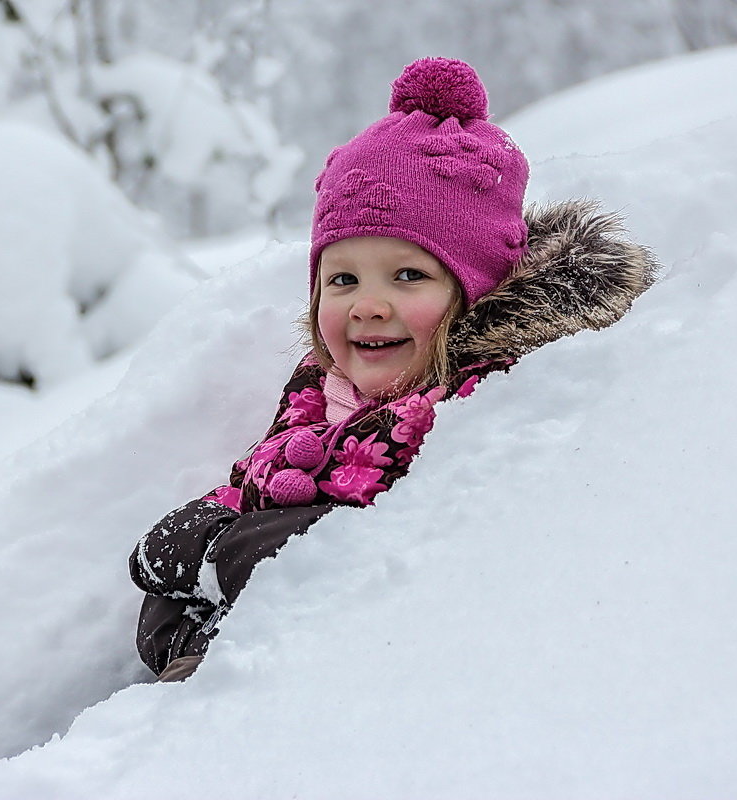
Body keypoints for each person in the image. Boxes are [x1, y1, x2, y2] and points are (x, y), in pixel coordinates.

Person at [128, 57, 659, 682]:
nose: (368, 305)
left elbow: (391, 555)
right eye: (343, 279)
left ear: (473, 291)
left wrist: (235, 552)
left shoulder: (489, 401)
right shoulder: (318, 393)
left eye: (408, 276)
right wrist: (206, 538)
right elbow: (248, 511)